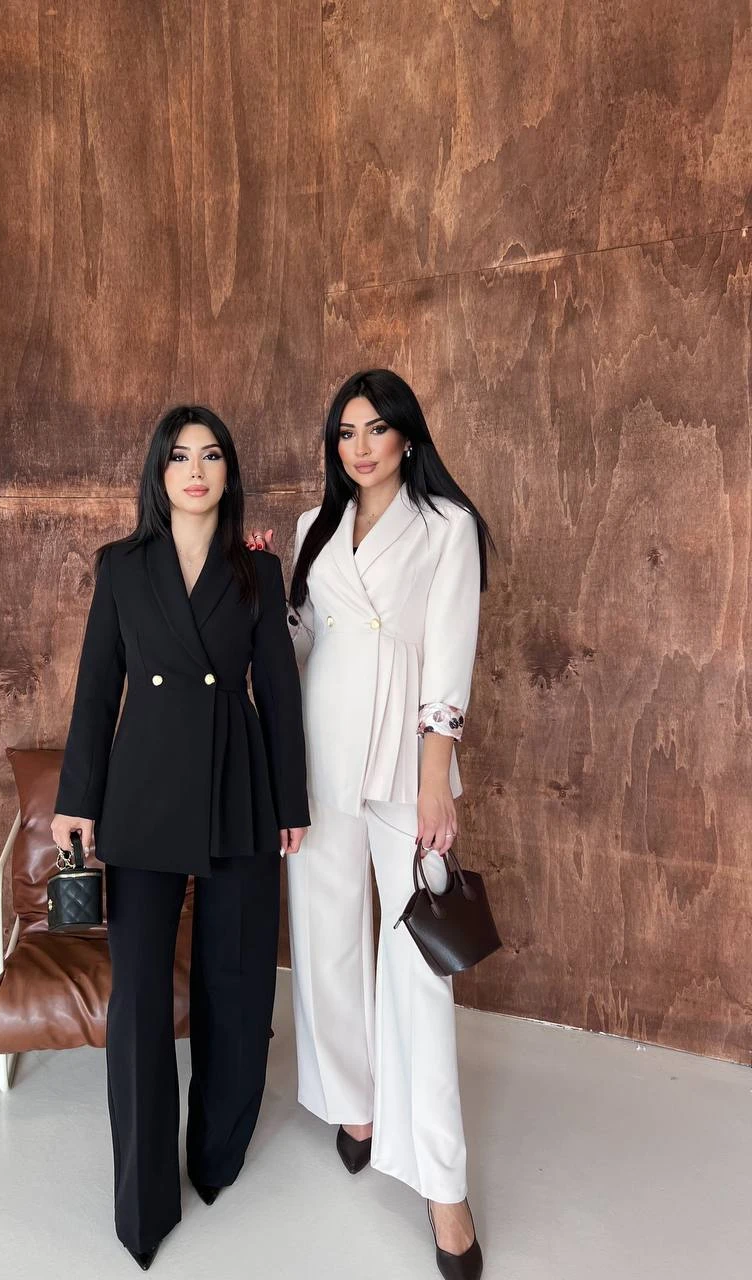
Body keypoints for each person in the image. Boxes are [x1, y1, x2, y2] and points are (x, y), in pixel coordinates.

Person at [51, 406, 310, 1271]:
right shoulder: (121, 567)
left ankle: (217, 1157)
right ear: (158, 473)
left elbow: (279, 692)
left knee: (236, 982)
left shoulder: (257, 571)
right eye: (179, 456)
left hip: (240, 788)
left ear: (229, 473)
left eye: (211, 456)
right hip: (144, 794)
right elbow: (96, 688)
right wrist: (76, 800)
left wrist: (290, 802)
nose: (195, 470)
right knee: (136, 1004)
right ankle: (143, 1200)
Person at [284, 369, 493, 1280]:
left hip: (409, 767)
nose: (359, 447)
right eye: (345, 432)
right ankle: (355, 1104)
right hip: (320, 755)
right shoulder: (313, 527)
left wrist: (435, 780)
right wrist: (256, 586)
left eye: (375, 429)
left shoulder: (447, 527)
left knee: (418, 969)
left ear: (407, 435)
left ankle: (444, 1187)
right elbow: (297, 640)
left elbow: (449, 659)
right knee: (325, 939)